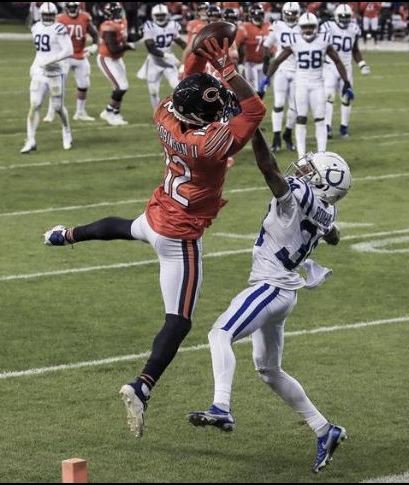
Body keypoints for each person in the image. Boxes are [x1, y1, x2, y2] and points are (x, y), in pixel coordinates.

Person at [43, 37, 266, 439]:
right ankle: (142, 386)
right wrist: (228, 69)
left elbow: (187, 82)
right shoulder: (209, 146)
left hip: (157, 214)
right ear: (202, 117)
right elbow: (254, 108)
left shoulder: (164, 115)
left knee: (127, 228)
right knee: (178, 322)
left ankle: (67, 234)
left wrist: (200, 52)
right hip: (181, 236)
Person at [187, 128, 352, 474]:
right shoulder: (328, 212)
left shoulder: (301, 196)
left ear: (322, 186)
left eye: (311, 173)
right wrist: (329, 233)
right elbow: (332, 233)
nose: (303, 171)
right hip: (285, 290)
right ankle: (325, 429)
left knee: (219, 334)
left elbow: (269, 169)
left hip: (272, 285)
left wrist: (253, 130)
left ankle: (221, 405)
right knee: (269, 370)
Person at [266, 12, 352, 159]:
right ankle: (301, 158)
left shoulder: (324, 40)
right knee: (301, 119)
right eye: (305, 27)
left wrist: (346, 81)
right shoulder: (295, 40)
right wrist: (267, 77)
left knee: (320, 119)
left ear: (316, 27)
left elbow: (337, 61)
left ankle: (322, 155)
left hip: (318, 84)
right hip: (301, 84)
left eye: (311, 27)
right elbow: (277, 60)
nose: (308, 30)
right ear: (300, 28)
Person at [21, 2, 73, 154]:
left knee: (57, 107)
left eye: (51, 15)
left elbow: (68, 50)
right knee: (35, 104)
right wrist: (36, 64)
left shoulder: (59, 28)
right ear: (41, 15)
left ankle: (66, 130)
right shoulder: (36, 27)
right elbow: (40, 52)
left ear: (55, 15)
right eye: (46, 15)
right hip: (39, 70)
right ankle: (30, 139)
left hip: (55, 70)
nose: (48, 18)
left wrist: (53, 59)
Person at [44, 2, 100, 123]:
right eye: (70, 7)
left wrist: (95, 46)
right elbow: (50, 36)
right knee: (57, 85)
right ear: (66, 8)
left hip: (80, 55)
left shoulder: (85, 17)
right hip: (65, 56)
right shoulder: (59, 19)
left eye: (74, 7)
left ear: (78, 7)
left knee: (84, 85)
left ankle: (80, 112)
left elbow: (95, 34)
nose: (72, 9)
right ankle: (51, 112)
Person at [323, 3, 370, 140]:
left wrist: (362, 64)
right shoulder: (327, 27)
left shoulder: (354, 29)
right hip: (330, 66)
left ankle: (344, 127)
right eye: (342, 17)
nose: (344, 19)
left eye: (346, 17)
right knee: (329, 97)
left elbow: (355, 49)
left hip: (347, 67)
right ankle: (327, 127)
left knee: (346, 98)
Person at [262, 1, 301, 153]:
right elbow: (267, 44)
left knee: (295, 106)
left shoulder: (303, 26)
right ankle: (277, 136)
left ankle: (288, 133)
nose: (291, 17)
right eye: (288, 14)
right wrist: (266, 62)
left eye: (293, 14)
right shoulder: (277, 25)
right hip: (281, 69)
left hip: (298, 70)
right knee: (278, 103)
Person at [138, 3, 186, 109]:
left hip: (168, 62)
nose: (160, 17)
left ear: (167, 15)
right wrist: (165, 55)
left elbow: (180, 42)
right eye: (158, 15)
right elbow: (150, 47)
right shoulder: (149, 26)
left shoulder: (172, 25)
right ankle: (157, 113)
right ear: (153, 16)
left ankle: (180, 111)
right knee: (153, 91)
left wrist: (190, 50)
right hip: (154, 62)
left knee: (178, 87)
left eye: (162, 15)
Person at [97, 2, 136, 126]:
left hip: (117, 58)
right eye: (114, 12)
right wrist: (127, 47)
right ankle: (110, 113)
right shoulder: (107, 26)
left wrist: (134, 37)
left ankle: (112, 112)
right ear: (108, 14)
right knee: (121, 86)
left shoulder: (122, 21)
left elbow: (125, 37)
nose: (117, 14)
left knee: (120, 87)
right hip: (106, 58)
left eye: (118, 11)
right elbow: (113, 48)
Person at [239, 3, 271, 98]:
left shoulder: (268, 26)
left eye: (259, 14)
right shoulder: (245, 27)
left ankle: (259, 109)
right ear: (250, 15)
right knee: (254, 91)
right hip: (250, 63)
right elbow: (238, 45)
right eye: (255, 14)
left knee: (262, 90)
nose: (257, 17)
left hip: (264, 63)